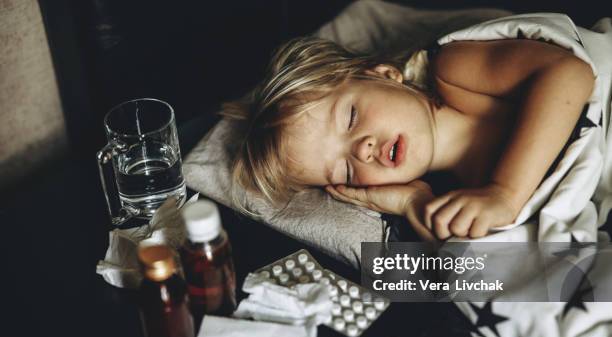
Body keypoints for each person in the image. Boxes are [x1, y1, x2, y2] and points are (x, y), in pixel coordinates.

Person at [222, 35, 595, 242]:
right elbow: (484, 278)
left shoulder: (455, 70)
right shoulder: (453, 195)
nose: (362, 150)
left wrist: (505, 192)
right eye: (346, 171)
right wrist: (413, 204)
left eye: (351, 118)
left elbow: (568, 72)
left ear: (384, 74)